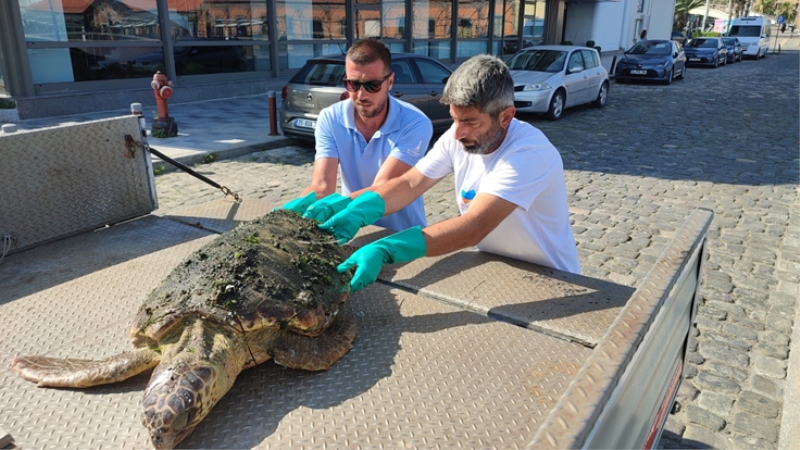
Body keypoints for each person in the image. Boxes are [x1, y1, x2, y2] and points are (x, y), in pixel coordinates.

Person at [315, 54, 581, 292]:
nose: (457, 133)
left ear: (506, 116)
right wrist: (356, 208)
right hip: (494, 267)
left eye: (470, 122)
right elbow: (410, 183)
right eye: (454, 118)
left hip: (554, 281)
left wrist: (389, 248)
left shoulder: (529, 155)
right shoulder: (458, 138)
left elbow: (474, 227)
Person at [281, 38, 433, 232]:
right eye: (353, 84)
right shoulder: (330, 118)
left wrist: (334, 206)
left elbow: (384, 188)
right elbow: (322, 186)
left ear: (391, 82)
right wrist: (297, 211)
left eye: (372, 85)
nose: (361, 95)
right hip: (351, 228)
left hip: (401, 234)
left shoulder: (415, 123)